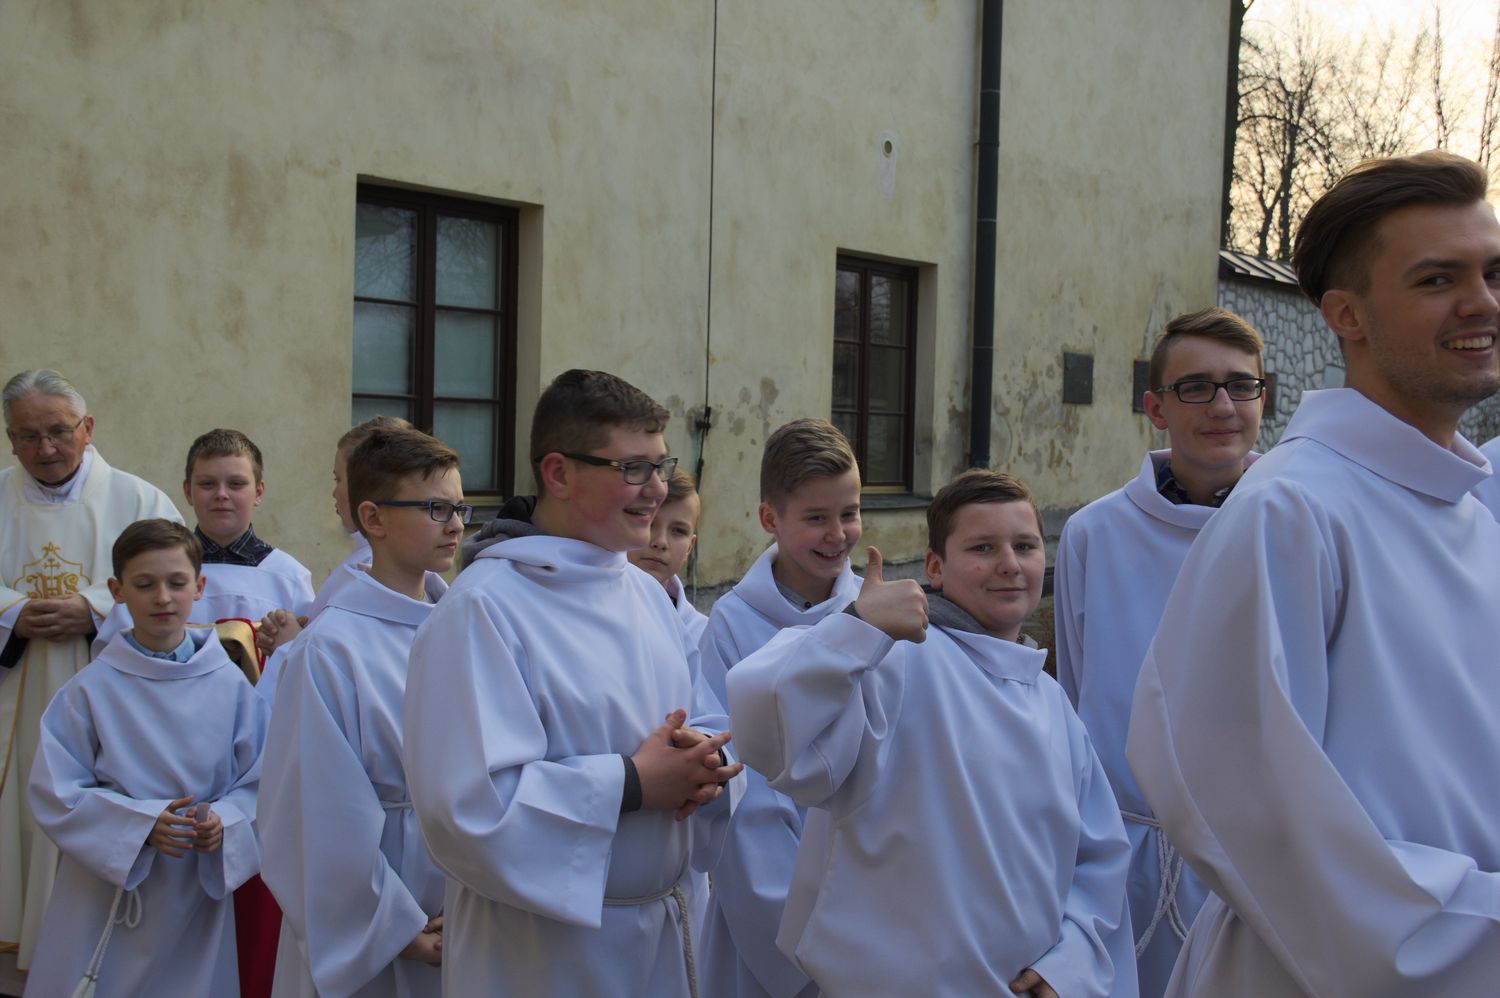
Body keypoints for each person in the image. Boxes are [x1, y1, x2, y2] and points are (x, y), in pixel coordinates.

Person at [1127, 150, 1500, 995]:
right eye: (1437, 279)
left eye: (1494, 272)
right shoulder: (1293, 511)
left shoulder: (1471, 513)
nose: (1482, 301)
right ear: (1346, 314)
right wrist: (1464, 936)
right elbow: (1233, 798)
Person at [728, 470, 1136, 997]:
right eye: (983, 547)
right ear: (934, 567)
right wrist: (856, 625)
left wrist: (1070, 964)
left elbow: (1098, 856)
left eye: (1025, 546)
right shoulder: (896, 661)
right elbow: (766, 720)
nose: (1009, 564)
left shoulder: (1052, 703)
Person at [402, 369, 742, 996]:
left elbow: (698, 720)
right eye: (633, 469)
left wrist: (706, 764)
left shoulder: (647, 595)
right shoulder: (483, 609)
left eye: (661, 466)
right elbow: (467, 810)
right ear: (557, 474)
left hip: (662, 929)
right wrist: (633, 783)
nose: (656, 489)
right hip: (541, 953)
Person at [1054, 307, 1264, 996]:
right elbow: (1080, 693)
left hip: (1259, 857)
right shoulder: (1096, 533)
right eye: (1196, 387)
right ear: (1155, 408)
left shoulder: (1298, 522)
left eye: (1242, 385)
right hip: (1125, 850)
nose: (1223, 406)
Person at [23, 519, 268, 996]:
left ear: (199, 587)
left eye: (176, 583)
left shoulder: (231, 686)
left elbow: (262, 780)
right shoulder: (91, 689)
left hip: (195, 884)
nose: (162, 598)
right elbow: (56, 790)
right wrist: (139, 826)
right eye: (144, 584)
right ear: (117, 591)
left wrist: (225, 820)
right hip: (109, 887)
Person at [258, 426, 460, 998]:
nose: (455, 525)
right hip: (379, 912)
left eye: (459, 507)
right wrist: (396, 931)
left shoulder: (464, 626)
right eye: (435, 508)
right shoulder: (329, 649)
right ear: (372, 518)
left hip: (465, 897)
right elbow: (314, 814)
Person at [0, 369, 180, 971]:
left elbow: (176, 584)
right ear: (10, 439)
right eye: (27, 436)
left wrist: (99, 607)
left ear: (88, 427)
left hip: (113, 702)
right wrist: (11, 612)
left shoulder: (140, 501)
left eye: (58, 431)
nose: (46, 448)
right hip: (14, 704)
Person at [698, 417, 862, 998]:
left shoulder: (877, 615)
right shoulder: (732, 626)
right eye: (816, 518)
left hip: (872, 900)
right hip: (770, 910)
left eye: (849, 513)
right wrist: (798, 939)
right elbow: (740, 785)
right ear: (770, 518)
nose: (837, 534)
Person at [254, 415, 414, 699]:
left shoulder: (371, 571)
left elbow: (358, 675)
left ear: (365, 485)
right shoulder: (372, 560)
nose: (334, 491)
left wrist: (290, 646)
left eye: (339, 479)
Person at [628, 465, 708, 646]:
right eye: (649, 524)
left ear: (690, 547)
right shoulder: (590, 609)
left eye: (678, 531)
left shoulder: (702, 635)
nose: (661, 542)